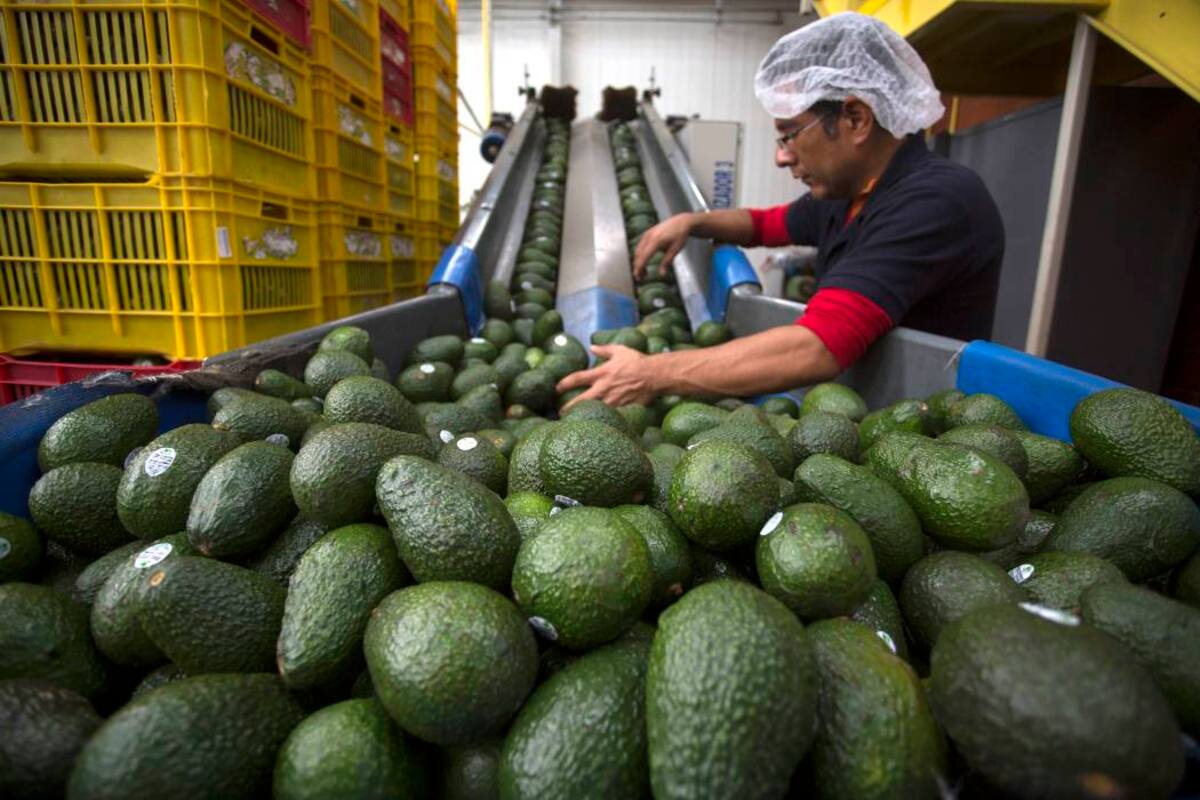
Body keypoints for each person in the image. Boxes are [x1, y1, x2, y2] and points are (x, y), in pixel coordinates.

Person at [559, 12, 1005, 409]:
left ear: (856, 119)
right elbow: (763, 225)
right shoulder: (850, 193)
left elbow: (818, 346)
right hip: (854, 413)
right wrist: (692, 222)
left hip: (920, 436)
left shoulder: (935, 202)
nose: (781, 157)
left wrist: (652, 373)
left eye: (789, 134)